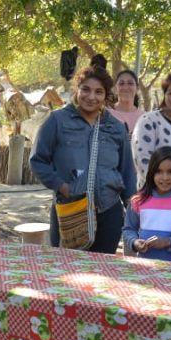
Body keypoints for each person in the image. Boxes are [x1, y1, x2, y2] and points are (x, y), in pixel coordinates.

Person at [30, 64, 136, 254]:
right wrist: (62, 186)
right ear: (76, 89)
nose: (91, 97)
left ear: (105, 96)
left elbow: (127, 172)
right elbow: (38, 160)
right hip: (69, 209)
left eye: (98, 92)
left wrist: (133, 209)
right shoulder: (57, 120)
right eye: (85, 89)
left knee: (103, 273)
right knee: (66, 269)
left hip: (109, 212)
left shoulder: (116, 127)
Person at [122, 145, 171, 262]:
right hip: (145, 268)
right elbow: (128, 230)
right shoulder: (138, 201)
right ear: (151, 173)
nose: (165, 177)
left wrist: (168, 242)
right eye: (159, 171)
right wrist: (135, 242)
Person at [108, 69, 143, 134]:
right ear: (115, 88)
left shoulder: (144, 118)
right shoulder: (106, 114)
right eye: (121, 83)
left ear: (137, 88)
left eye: (130, 83)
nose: (125, 87)